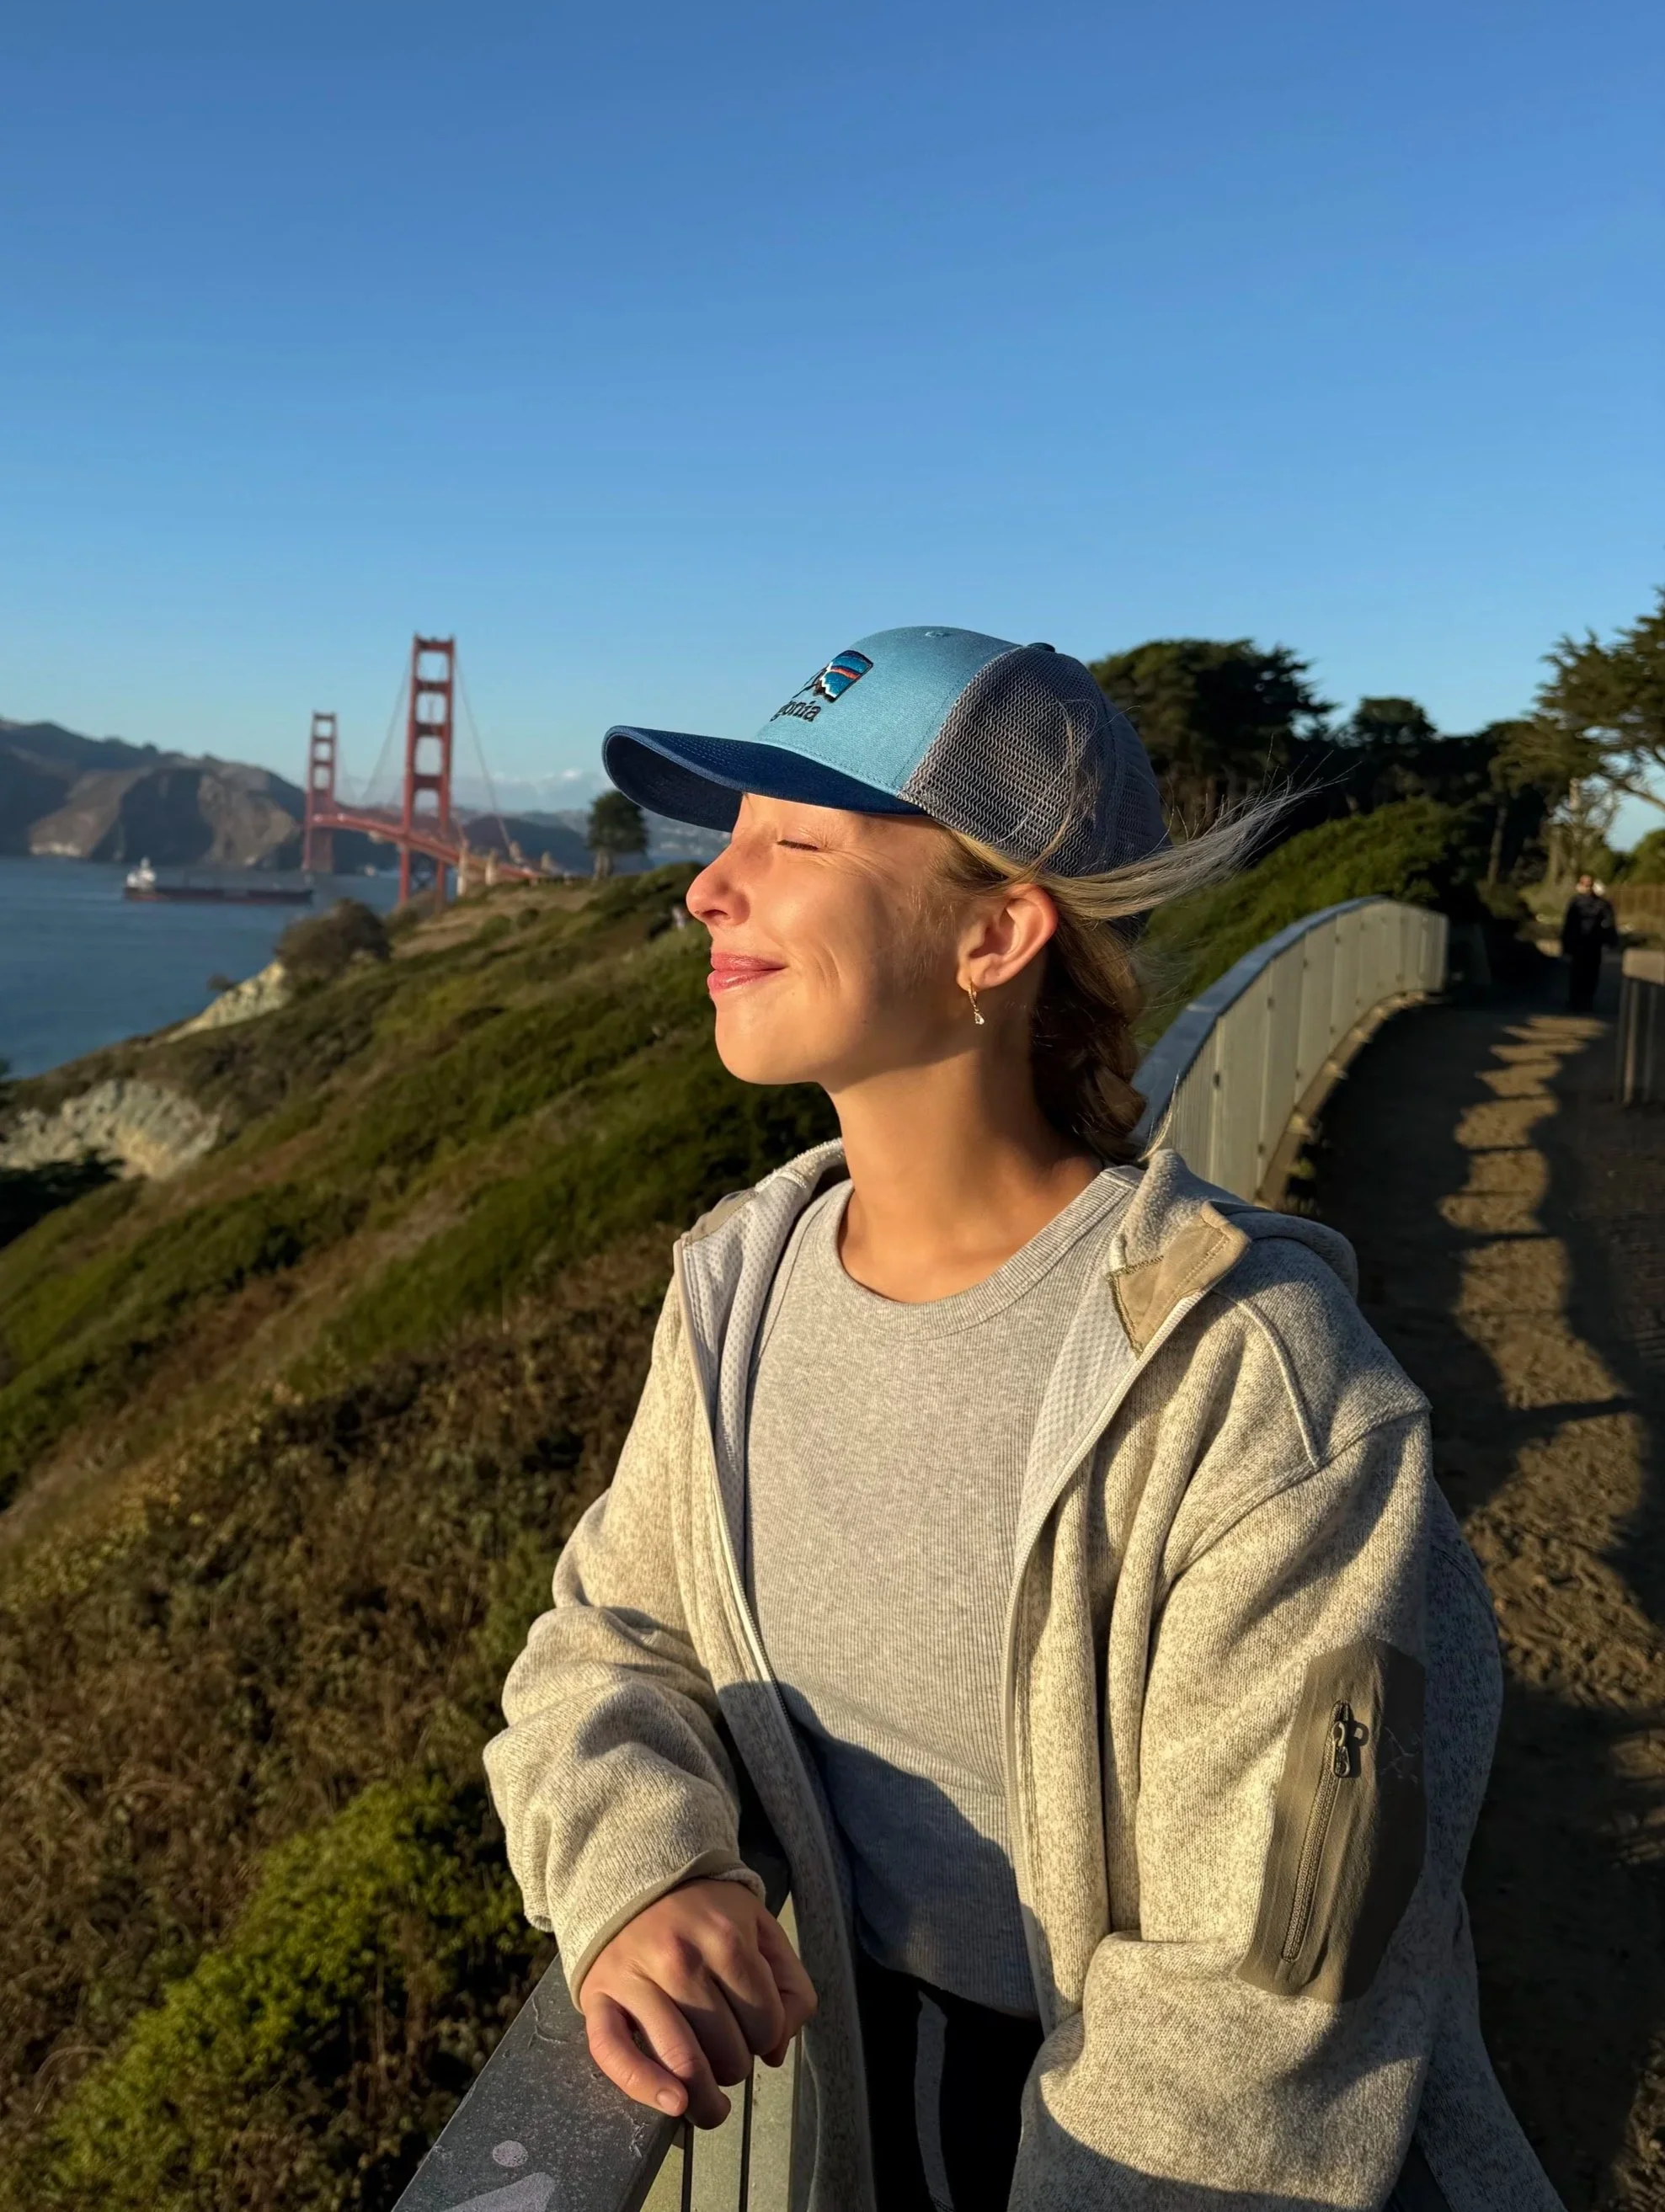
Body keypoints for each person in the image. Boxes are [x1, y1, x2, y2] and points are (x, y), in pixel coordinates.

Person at [485, 628, 1560, 2211]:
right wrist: (640, 1870)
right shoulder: (735, 1290)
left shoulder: (1253, 1385)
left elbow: (1269, 1999)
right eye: (727, 838)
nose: (707, 888)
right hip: (882, 2085)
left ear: (995, 934)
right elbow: (609, 1638)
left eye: (793, 841)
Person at [1561, 872, 1618, 1013]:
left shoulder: (1576, 903)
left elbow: (1569, 925)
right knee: (1586, 973)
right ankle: (1583, 1001)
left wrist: (1565, 944)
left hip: (1586, 943)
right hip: (1589, 944)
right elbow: (1609, 923)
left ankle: (1578, 1001)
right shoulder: (1599, 903)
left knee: (1581, 973)